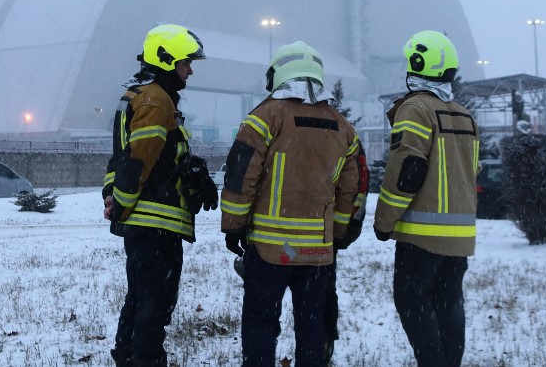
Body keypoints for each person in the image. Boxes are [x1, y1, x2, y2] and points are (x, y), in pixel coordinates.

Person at [221, 41, 360, 367]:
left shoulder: (263, 118)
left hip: (270, 248)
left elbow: (240, 178)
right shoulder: (342, 126)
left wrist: (233, 226)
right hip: (318, 252)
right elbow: (349, 189)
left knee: (260, 322)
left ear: (278, 75)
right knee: (312, 324)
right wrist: (337, 232)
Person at [102, 24, 218, 367]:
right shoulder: (156, 100)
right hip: (156, 224)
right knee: (155, 302)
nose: (190, 70)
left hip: (146, 222)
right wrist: (120, 203)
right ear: (167, 60)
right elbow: (139, 160)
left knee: (140, 298)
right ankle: (146, 359)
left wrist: (194, 176)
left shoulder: (142, 95)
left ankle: (128, 354)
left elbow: (126, 158)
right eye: (186, 63)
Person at [373, 30, 480, 367]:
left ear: (417, 65)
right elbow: (470, 171)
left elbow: (407, 172)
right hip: (460, 238)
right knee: (449, 303)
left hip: (421, 237)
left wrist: (384, 221)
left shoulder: (416, 110)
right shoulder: (463, 114)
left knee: (412, 302)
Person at [324, 139, 370, 363]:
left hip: (272, 234)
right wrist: (345, 228)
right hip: (324, 236)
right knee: (320, 295)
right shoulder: (344, 131)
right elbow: (357, 186)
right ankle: (321, 347)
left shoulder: (271, 119)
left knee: (263, 307)